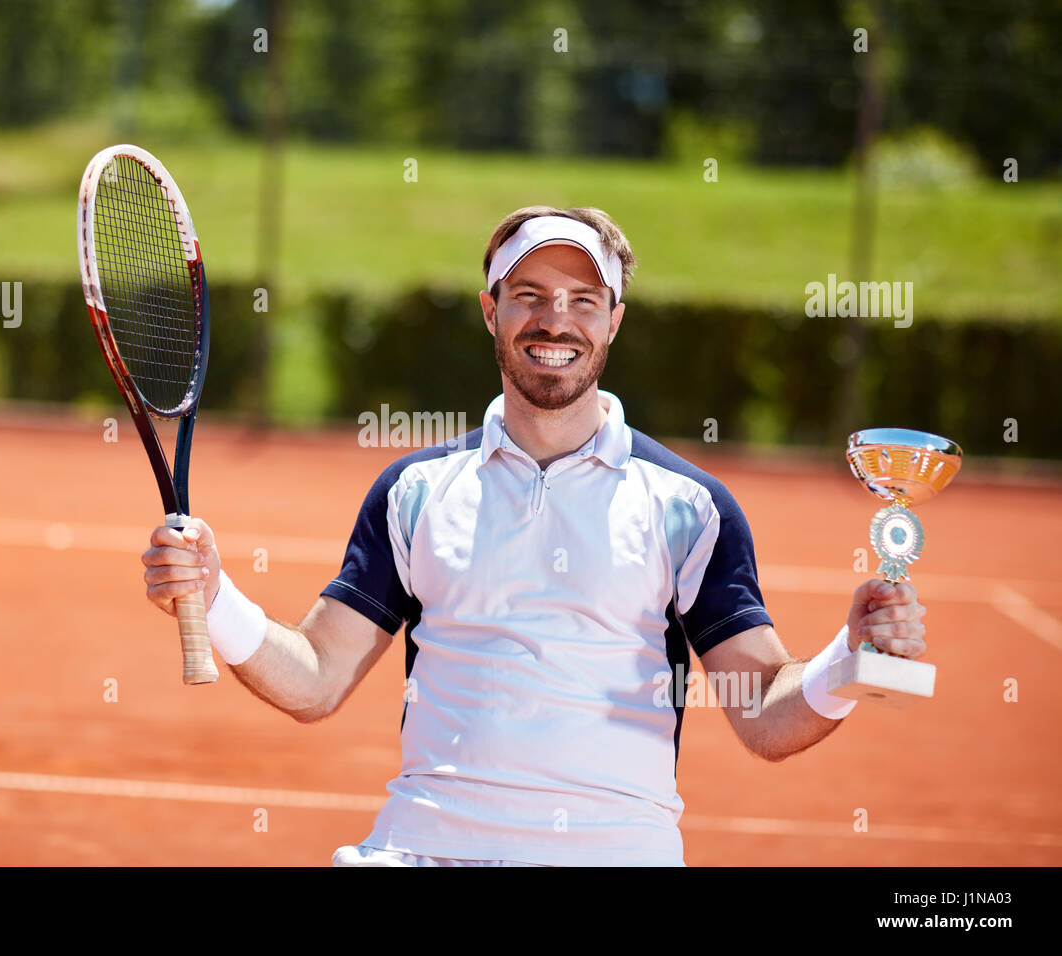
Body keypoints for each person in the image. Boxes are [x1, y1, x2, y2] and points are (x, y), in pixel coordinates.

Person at [140, 205, 928, 867]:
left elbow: (762, 713)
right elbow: (315, 678)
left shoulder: (689, 505)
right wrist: (216, 596)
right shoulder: (413, 492)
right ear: (491, 309)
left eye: (585, 300)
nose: (557, 320)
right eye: (530, 294)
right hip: (425, 847)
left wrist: (852, 659)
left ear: (615, 320)